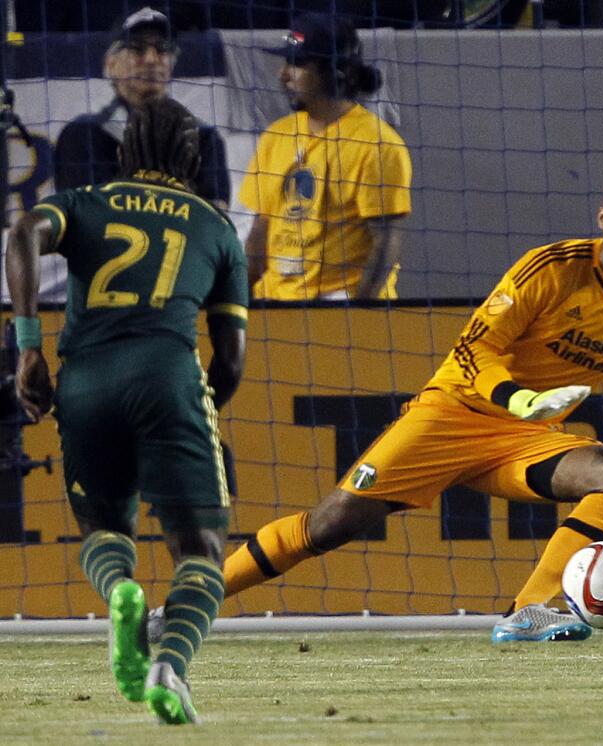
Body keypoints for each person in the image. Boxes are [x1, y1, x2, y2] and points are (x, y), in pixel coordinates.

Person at [207, 173, 603, 641]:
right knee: (329, 526)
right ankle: (190, 606)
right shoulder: (550, 268)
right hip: (454, 413)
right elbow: (476, 349)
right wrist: (525, 400)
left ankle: (528, 612)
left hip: (525, 439)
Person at [7, 97, 248, 724]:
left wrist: (28, 348)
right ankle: (171, 663)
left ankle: (120, 591)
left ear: (123, 154)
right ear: (194, 159)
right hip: (167, 376)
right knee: (200, 549)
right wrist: (200, 414)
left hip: (83, 381)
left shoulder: (86, 201)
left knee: (105, 529)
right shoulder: (216, 227)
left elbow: (23, 230)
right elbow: (231, 361)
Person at [239, 13, 412, 300]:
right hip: (276, 303)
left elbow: (386, 241)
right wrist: (239, 301)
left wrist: (359, 313)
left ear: (336, 71)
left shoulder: (378, 145)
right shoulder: (276, 135)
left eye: (298, 64)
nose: (283, 75)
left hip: (337, 305)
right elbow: (261, 229)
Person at [54, 7, 230, 206]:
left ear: (172, 64)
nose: (151, 59)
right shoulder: (83, 134)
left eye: (162, 48)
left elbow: (217, 216)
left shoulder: (203, 136)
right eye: (137, 48)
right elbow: (80, 213)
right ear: (110, 64)